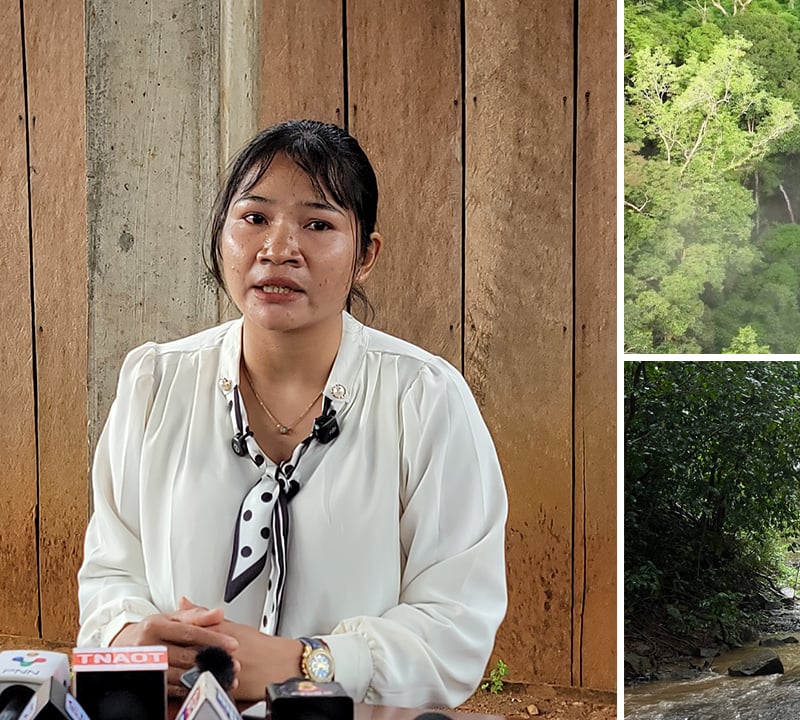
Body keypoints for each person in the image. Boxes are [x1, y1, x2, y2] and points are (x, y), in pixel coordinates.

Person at [76, 120, 508, 709]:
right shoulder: (155, 385)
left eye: (318, 224)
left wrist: (304, 664)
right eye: (254, 218)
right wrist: (132, 638)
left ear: (365, 255)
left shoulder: (425, 399)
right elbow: (110, 572)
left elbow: (456, 628)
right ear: (221, 235)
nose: (278, 249)